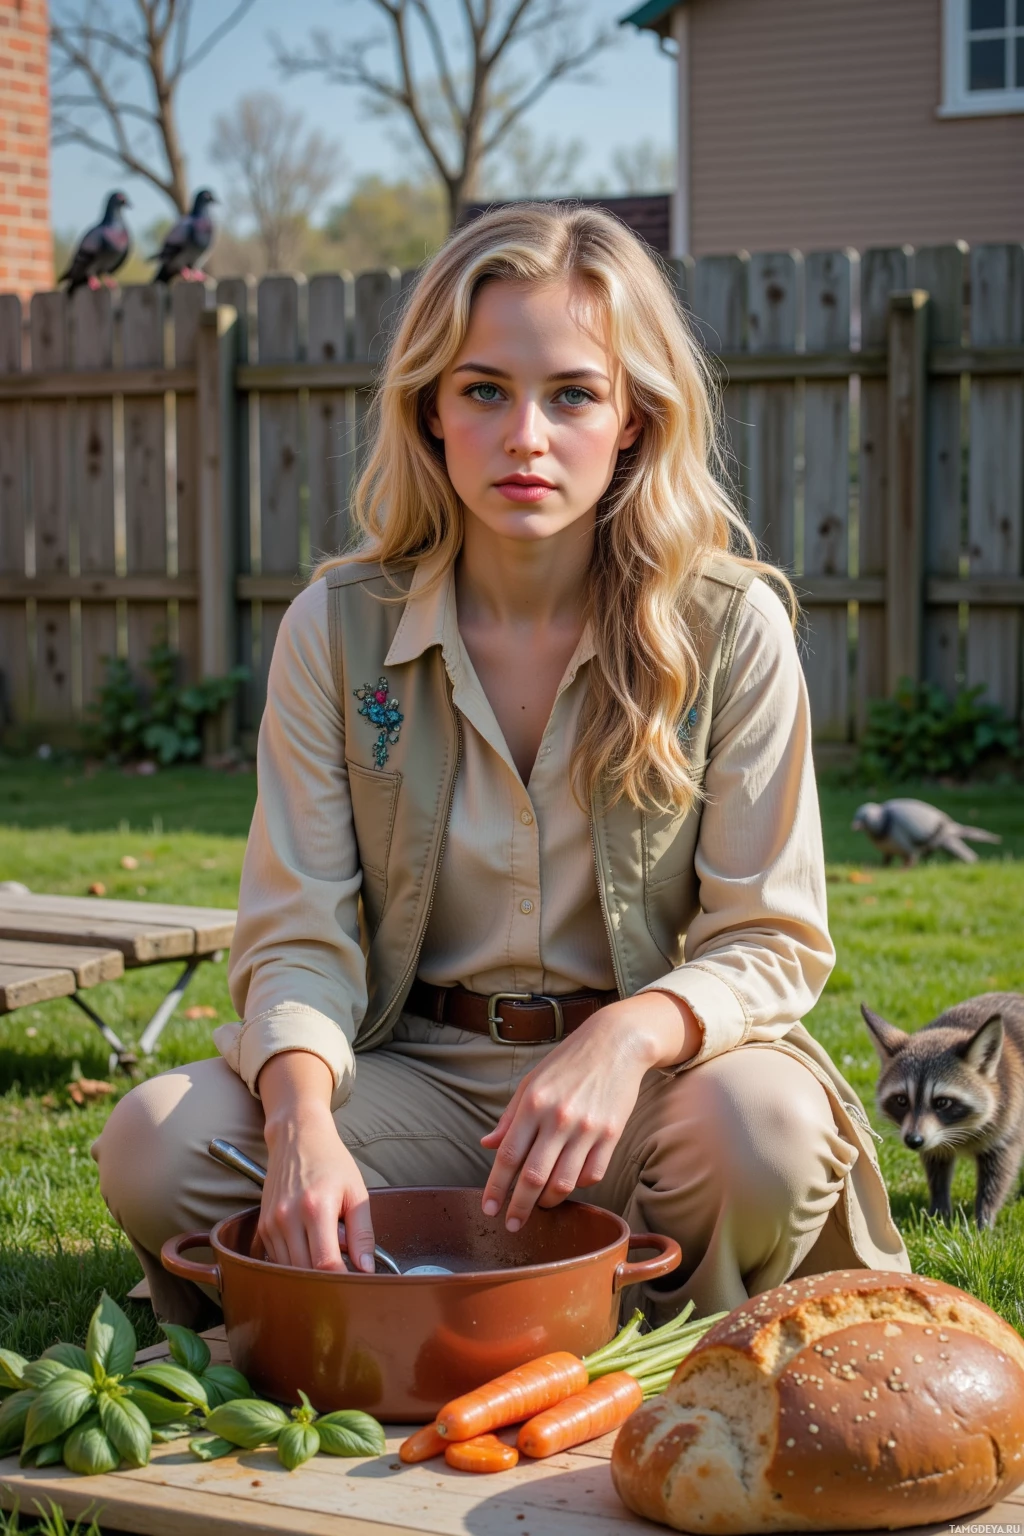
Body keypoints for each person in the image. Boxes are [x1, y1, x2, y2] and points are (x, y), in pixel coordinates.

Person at [94, 205, 909, 1329]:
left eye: (572, 392)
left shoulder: (729, 627)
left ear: (632, 418)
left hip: (645, 1092)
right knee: (154, 1142)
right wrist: (299, 1124)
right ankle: (394, 1303)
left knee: (764, 1133)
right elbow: (298, 934)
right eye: (484, 390)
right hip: (409, 1072)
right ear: (431, 410)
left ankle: (655, 1353)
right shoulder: (335, 629)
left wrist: (625, 1037)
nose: (526, 434)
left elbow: (770, 936)